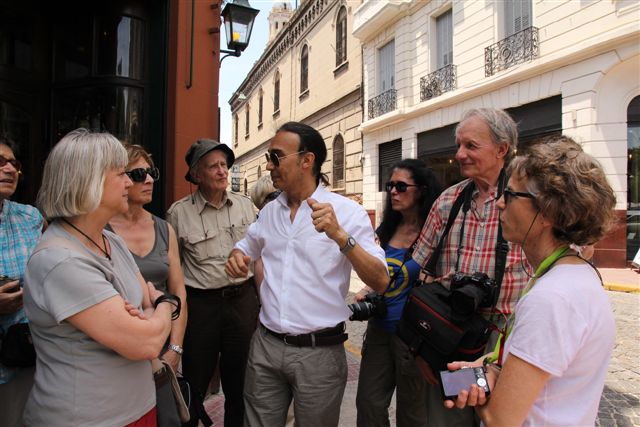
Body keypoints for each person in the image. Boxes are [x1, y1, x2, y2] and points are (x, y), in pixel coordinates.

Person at [225, 121, 389, 427]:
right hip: (266, 346)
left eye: (276, 157)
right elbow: (247, 245)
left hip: (319, 354)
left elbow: (380, 279)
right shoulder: (270, 211)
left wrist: (341, 236)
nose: (269, 165)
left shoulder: (346, 212)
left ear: (306, 160)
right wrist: (237, 256)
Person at [444, 135, 616, 426]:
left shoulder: (552, 297)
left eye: (510, 195)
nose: (499, 203)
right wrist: (489, 370)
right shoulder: (574, 275)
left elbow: (501, 419)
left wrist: (480, 387)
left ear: (548, 211)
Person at [23, 129, 174, 426]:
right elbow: (145, 343)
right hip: (89, 418)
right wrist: (166, 303)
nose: (130, 182)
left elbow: (145, 299)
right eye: (121, 174)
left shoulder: (111, 240)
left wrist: (145, 313)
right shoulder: (59, 259)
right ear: (87, 180)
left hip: (138, 408)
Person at [411, 108, 529, 426]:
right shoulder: (447, 202)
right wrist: (424, 347)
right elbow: (417, 272)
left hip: (507, 344)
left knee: (501, 420)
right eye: (459, 145)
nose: (459, 154)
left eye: (471, 146)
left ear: (502, 149)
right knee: (448, 418)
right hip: (453, 339)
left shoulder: (529, 203)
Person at [166, 138, 258, 427]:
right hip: (201, 306)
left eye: (223, 165)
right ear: (196, 174)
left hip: (242, 301)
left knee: (240, 383)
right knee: (194, 380)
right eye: (212, 166)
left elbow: (261, 253)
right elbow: (173, 270)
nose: (221, 171)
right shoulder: (178, 213)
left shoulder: (247, 207)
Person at [355, 159, 442, 427]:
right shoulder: (385, 229)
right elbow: (379, 272)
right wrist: (367, 288)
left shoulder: (434, 233)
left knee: (412, 414)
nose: (393, 191)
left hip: (414, 337)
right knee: (368, 404)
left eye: (402, 186)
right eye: (390, 185)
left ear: (421, 191)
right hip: (380, 330)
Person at [107, 144, 187, 372]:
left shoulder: (164, 229)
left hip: (162, 342)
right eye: (140, 174)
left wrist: (175, 348)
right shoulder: (100, 231)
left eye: (152, 173)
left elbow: (178, 290)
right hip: (118, 346)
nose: (150, 180)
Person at [0, 136, 43, 427]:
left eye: (14, 162)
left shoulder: (30, 216)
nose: (10, 169)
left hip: (27, 358)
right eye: (0, 162)